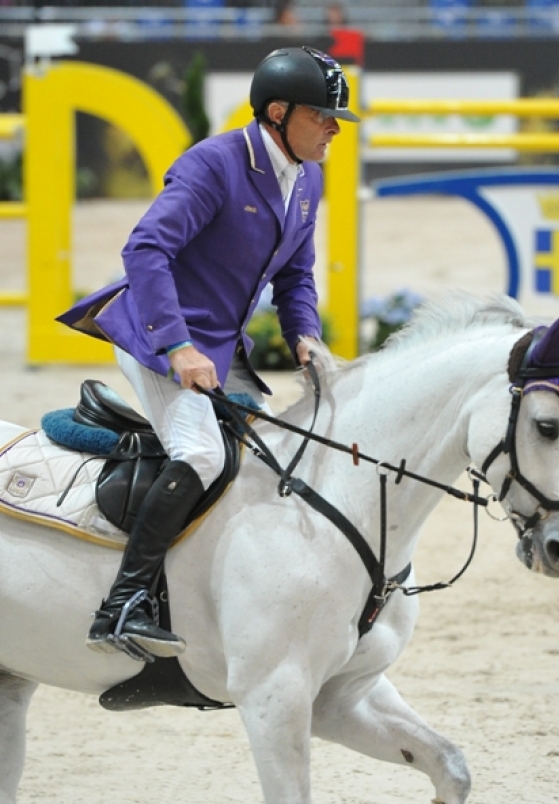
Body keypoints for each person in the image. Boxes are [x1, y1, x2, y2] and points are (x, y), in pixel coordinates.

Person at [57, 45, 360, 660]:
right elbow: (144, 251)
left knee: (268, 454)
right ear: (277, 112)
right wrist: (177, 345)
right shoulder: (213, 165)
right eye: (322, 116)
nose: (333, 128)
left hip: (222, 343)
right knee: (199, 455)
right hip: (158, 333)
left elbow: (296, 274)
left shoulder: (307, 176)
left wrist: (304, 332)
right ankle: (123, 605)